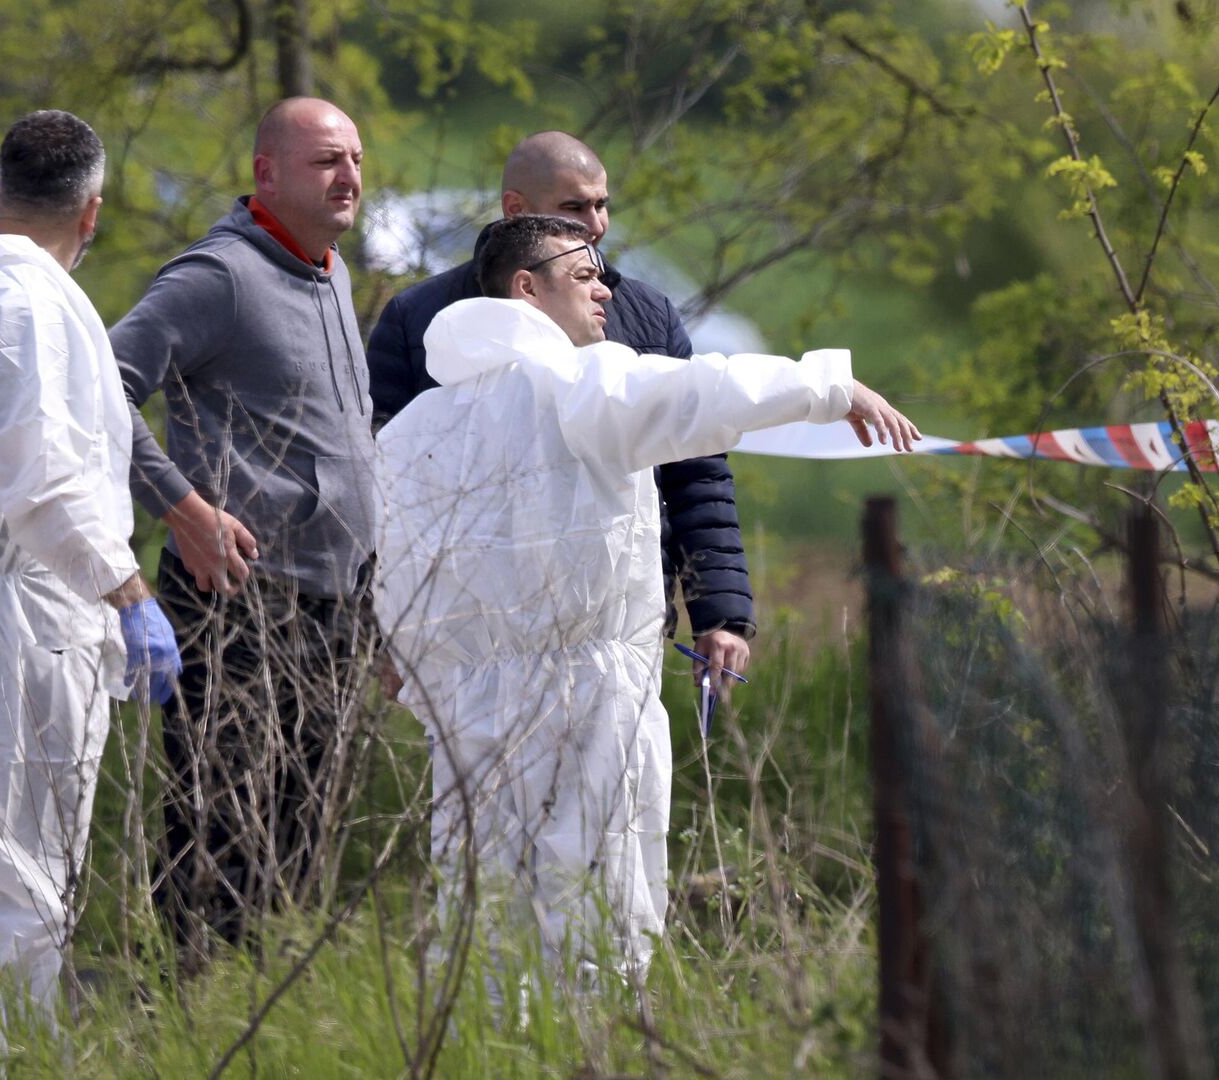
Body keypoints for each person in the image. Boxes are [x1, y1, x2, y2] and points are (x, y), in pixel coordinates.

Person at [372, 215, 918, 982]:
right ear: (526, 288)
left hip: (468, 716)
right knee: (602, 909)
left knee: (483, 913)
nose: (605, 287)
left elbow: (395, 580)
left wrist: (440, 692)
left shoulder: (418, 427)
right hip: (590, 704)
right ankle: (596, 1056)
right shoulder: (585, 383)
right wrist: (830, 386)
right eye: (583, 272)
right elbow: (703, 390)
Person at [0, 110, 181, 1016]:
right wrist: (127, 590)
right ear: (92, 213)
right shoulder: (30, 306)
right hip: (26, 618)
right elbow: (41, 480)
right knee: (19, 884)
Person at [112, 97, 379, 959]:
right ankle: (188, 1019)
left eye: (356, 160)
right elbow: (97, 393)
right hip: (237, 604)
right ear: (266, 172)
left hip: (335, 610)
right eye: (326, 161)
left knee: (299, 847)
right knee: (219, 837)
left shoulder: (331, 268)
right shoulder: (215, 277)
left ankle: (266, 1018)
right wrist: (181, 508)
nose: (350, 177)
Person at [367, 131, 755, 700]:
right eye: (575, 207)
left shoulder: (645, 316)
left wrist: (720, 612)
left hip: (620, 625)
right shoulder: (421, 317)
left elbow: (695, 470)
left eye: (602, 204)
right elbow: (386, 484)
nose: (596, 224)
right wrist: (387, 628)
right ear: (515, 210)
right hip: (475, 641)